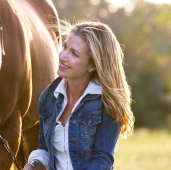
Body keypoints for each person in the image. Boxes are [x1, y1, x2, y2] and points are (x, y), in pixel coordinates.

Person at [24, 21, 134, 170]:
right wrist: (34, 164)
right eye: (64, 47)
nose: (62, 56)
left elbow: (102, 160)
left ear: (92, 65)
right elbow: (45, 150)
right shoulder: (49, 97)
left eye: (74, 53)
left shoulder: (106, 102)